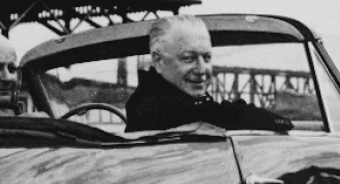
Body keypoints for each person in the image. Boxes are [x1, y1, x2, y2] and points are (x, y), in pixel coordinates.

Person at [125, 16, 292, 132]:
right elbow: (214, 115)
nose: (201, 69)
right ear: (158, 61)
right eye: (188, 58)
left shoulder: (154, 99)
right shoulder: (151, 107)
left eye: (207, 57)